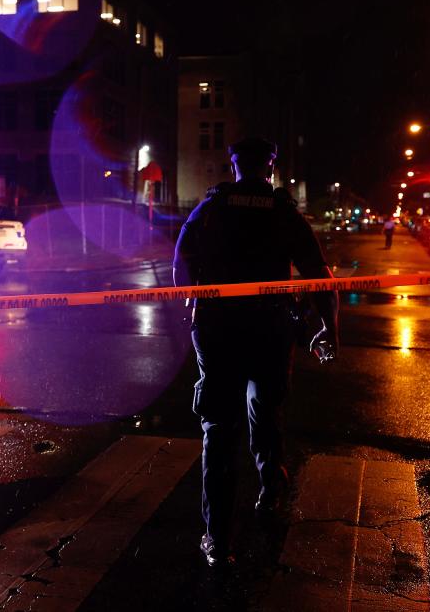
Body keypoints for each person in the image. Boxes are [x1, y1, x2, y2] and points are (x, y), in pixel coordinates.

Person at [173, 136, 339, 567]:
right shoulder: (283, 212)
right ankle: (270, 490)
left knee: (218, 432)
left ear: (232, 167)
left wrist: (191, 305)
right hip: (269, 330)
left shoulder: (211, 208)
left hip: (219, 331)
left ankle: (218, 539)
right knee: (264, 413)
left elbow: (180, 261)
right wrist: (328, 328)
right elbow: (320, 275)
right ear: (269, 169)